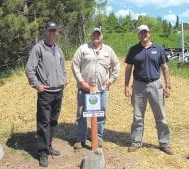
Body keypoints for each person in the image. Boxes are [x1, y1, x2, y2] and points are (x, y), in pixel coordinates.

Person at [124, 24, 173, 155]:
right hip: (138, 85)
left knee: (161, 116)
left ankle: (164, 143)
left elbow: (165, 68)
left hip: (155, 85)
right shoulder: (133, 50)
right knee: (137, 116)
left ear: (149, 33)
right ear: (138, 34)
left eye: (145, 32)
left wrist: (168, 86)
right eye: (141, 32)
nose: (144, 34)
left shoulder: (158, 49)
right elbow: (128, 68)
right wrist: (126, 85)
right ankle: (135, 141)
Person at [25, 21, 67, 167]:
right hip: (46, 93)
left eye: (54, 30)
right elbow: (30, 69)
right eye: (50, 30)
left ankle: (48, 146)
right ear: (45, 31)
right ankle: (42, 152)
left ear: (57, 32)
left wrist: (64, 80)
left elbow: (63, 67)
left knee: (53, 121)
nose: (52, 33)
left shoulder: (58, 49)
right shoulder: (39, 48)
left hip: (58, 92)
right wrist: (37, 85)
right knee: (43, 122)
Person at [72, 27, 120, 149]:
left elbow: (116, 66)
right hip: (84, 89)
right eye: (94, 34)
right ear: (90, 36)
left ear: (102, 36)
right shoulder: (83, 49)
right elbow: (75, 65)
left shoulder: (108, 50)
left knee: (101, 113)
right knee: (82, 114)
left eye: (98, 34)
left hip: (102, 90)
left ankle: (97, 137)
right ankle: (80, 139)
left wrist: (110, 81)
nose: (96, 36)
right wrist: (81, 81)